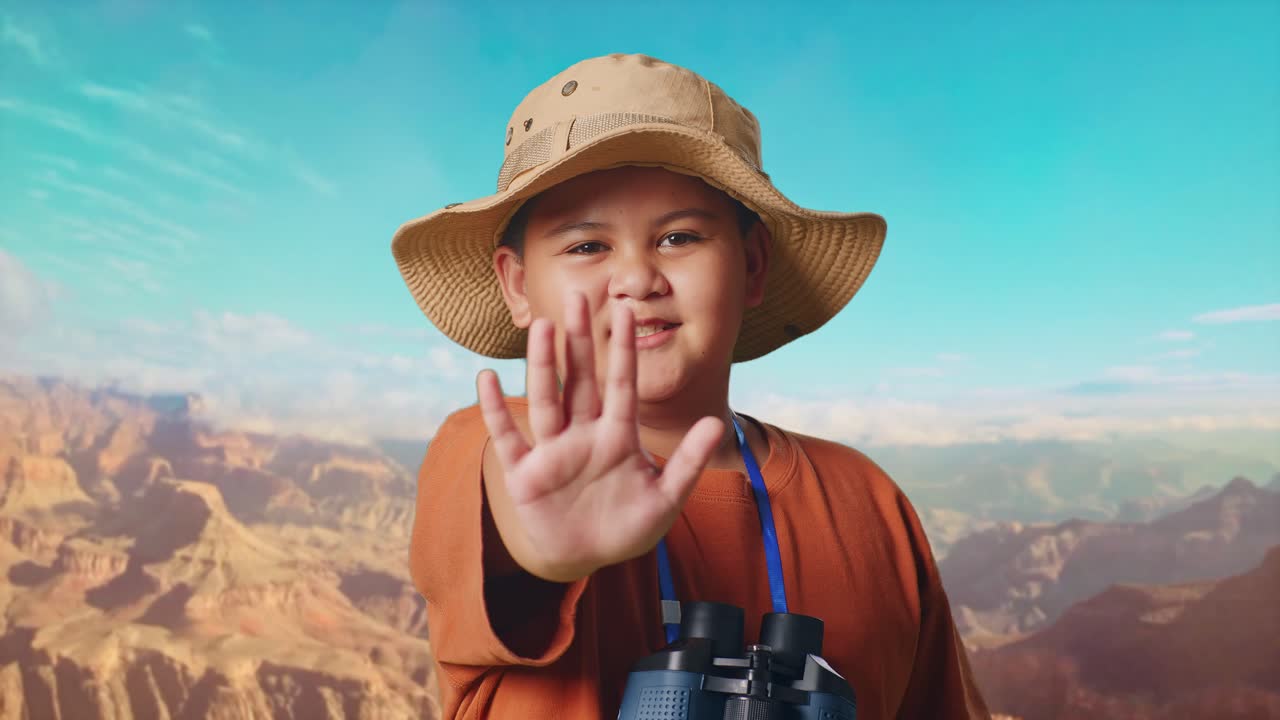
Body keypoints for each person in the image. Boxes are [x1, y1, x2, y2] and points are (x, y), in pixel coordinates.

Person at [391, 53, 989, 719]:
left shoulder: (869, 500)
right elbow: (511, 499)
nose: (637, 278)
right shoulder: (493, 448)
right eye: (586, 247)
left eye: (679, 236)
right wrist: (544, 556)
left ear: (753, 265)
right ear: (517, 284)